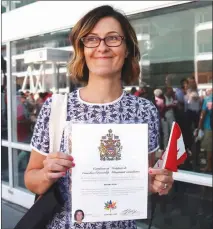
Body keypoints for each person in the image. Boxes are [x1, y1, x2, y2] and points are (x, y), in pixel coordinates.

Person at [25, 5, 173, 229]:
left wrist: (156, 184)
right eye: (92, 39)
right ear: (82, 49)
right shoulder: (56, 109)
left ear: (127, 49)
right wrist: (47, 173)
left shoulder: (145, 111)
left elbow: (142, 182)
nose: (102, 47)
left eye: (113, 38)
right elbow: (31, 179)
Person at [197, 88, 212, 172]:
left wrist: (199, 126)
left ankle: (209, 166)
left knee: (209, 148)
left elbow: (202, 114)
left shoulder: (208, 99)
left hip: (208, 126)